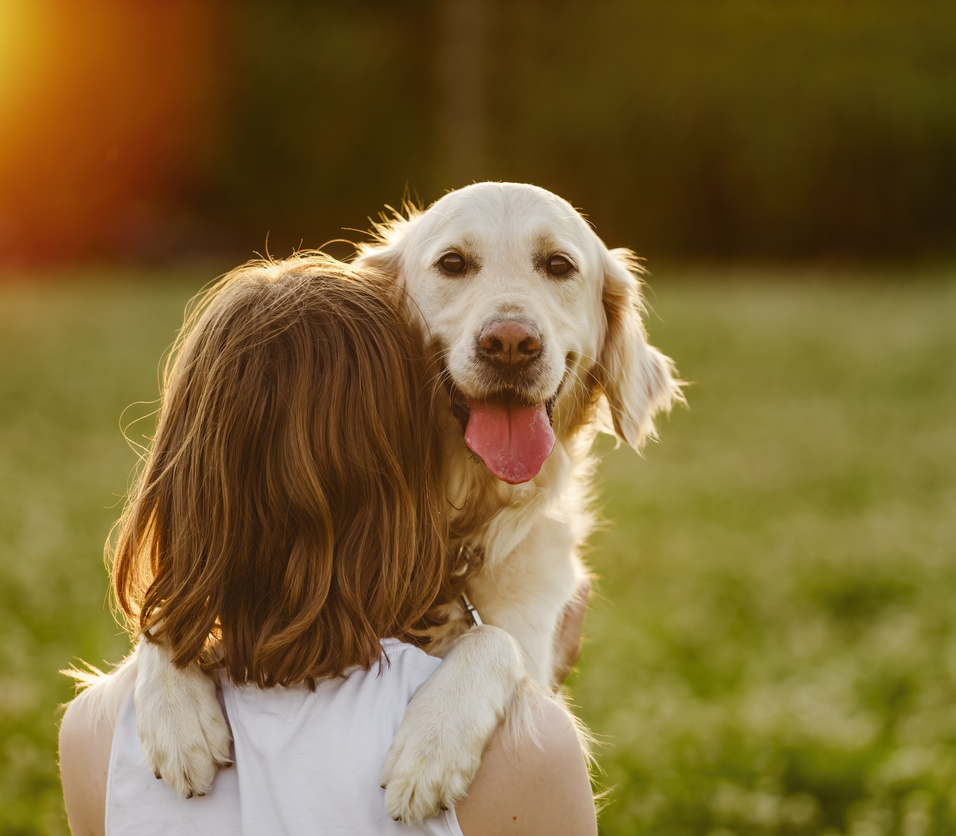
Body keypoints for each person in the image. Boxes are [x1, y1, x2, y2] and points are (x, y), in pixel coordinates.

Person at [58, 256, 596, 836]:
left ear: (180, 475)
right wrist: (530, 697)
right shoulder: (529, 751)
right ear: (403, 475)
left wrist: (167, 637)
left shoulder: (94, 735)